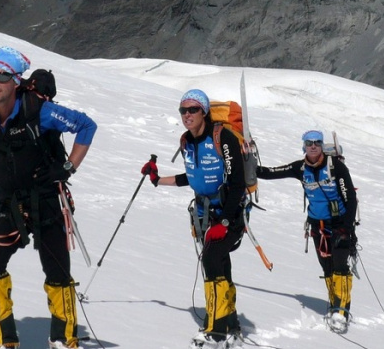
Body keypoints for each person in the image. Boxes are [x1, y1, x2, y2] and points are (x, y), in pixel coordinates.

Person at [0, 47, 98, 349]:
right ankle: (1, 338)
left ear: (16, 81)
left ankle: (63, 339)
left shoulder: (39, 110)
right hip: (7, 201)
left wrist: (67, 168)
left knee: (57, 269)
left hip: (47, 199)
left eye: (3, 77)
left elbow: (86, 126)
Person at [140, 89, 247, 349]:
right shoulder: (187, 141)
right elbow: (192, 177)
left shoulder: (223, 139)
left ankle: (216, 331)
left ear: (204, 112)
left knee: (211, 260)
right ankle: (230, 324)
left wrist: (224, 222)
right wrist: (157, 180)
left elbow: (237, 183)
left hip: (228, 214)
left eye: (193, 109)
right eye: (183, 110)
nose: (187, 115)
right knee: (220, 263)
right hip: (203, 216)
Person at [255, 130, 358, 332]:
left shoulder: (335, 166)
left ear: (321, 146)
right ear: (304, 146)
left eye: (317, 143)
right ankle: (334, 303)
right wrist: (246, 164)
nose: (313, 146)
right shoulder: (300, 168)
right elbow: (270, 172)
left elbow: (350, 199)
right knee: (327, 267)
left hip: (339, 225)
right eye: (309, 143)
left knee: (340, 267)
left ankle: (341, 311)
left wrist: (346, 228)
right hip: (317, 225)